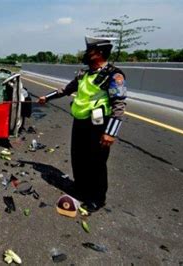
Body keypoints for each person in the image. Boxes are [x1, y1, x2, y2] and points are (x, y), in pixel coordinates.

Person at [38, 36, 127, 212]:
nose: (86, 53)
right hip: (80, 123)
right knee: (78, 158)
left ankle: (97, 198)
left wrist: (111, 133)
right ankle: (81, 189)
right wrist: (46, 98)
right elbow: (66, 90)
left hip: (99, 125)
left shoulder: (113, 75)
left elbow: (119, 105)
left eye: (90, 50)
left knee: (96, 163)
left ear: (99, 53)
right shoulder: (83, 74)